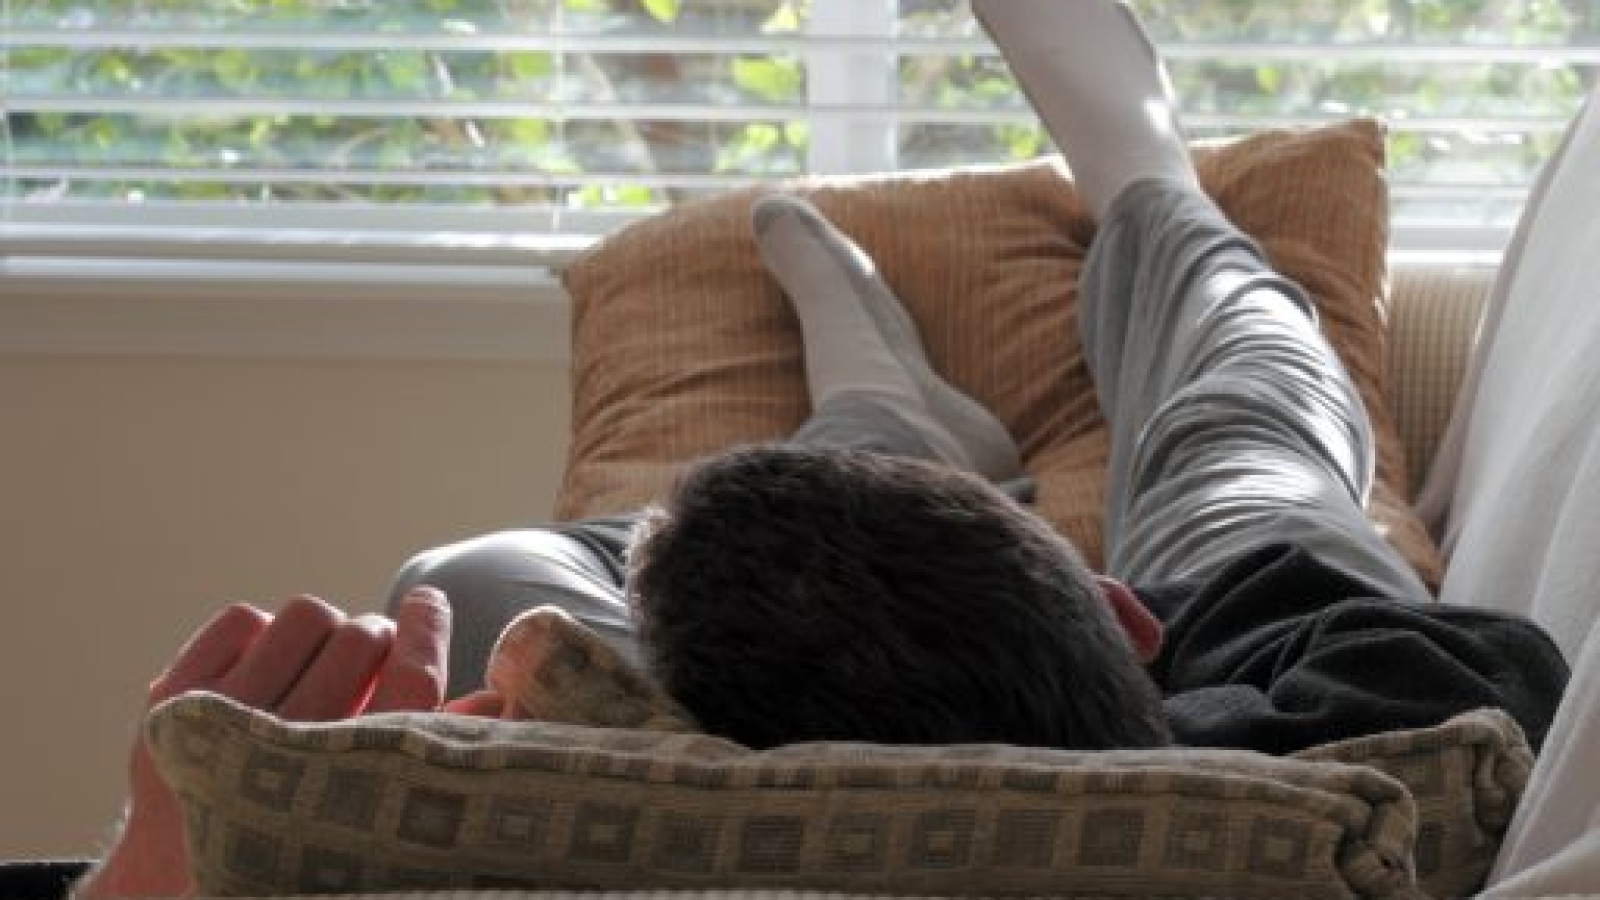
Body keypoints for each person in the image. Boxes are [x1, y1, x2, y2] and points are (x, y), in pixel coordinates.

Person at [70, 1, 1568, 896]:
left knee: (497, 584)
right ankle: (1147, 181)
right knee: (1247, 434)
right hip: (1236, 655)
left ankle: (887, 429)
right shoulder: (1386, 733)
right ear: (1120, 611)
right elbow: (1495, 670)